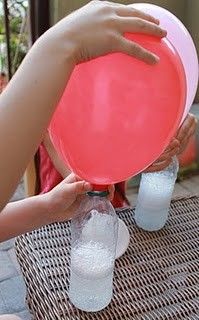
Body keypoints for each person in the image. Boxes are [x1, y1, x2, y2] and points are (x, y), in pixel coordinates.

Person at [0, 2, 166, 318]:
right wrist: (58, 45)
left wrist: (47, 207)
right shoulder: (57, 108)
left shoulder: (116, 111)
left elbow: (129, 153)